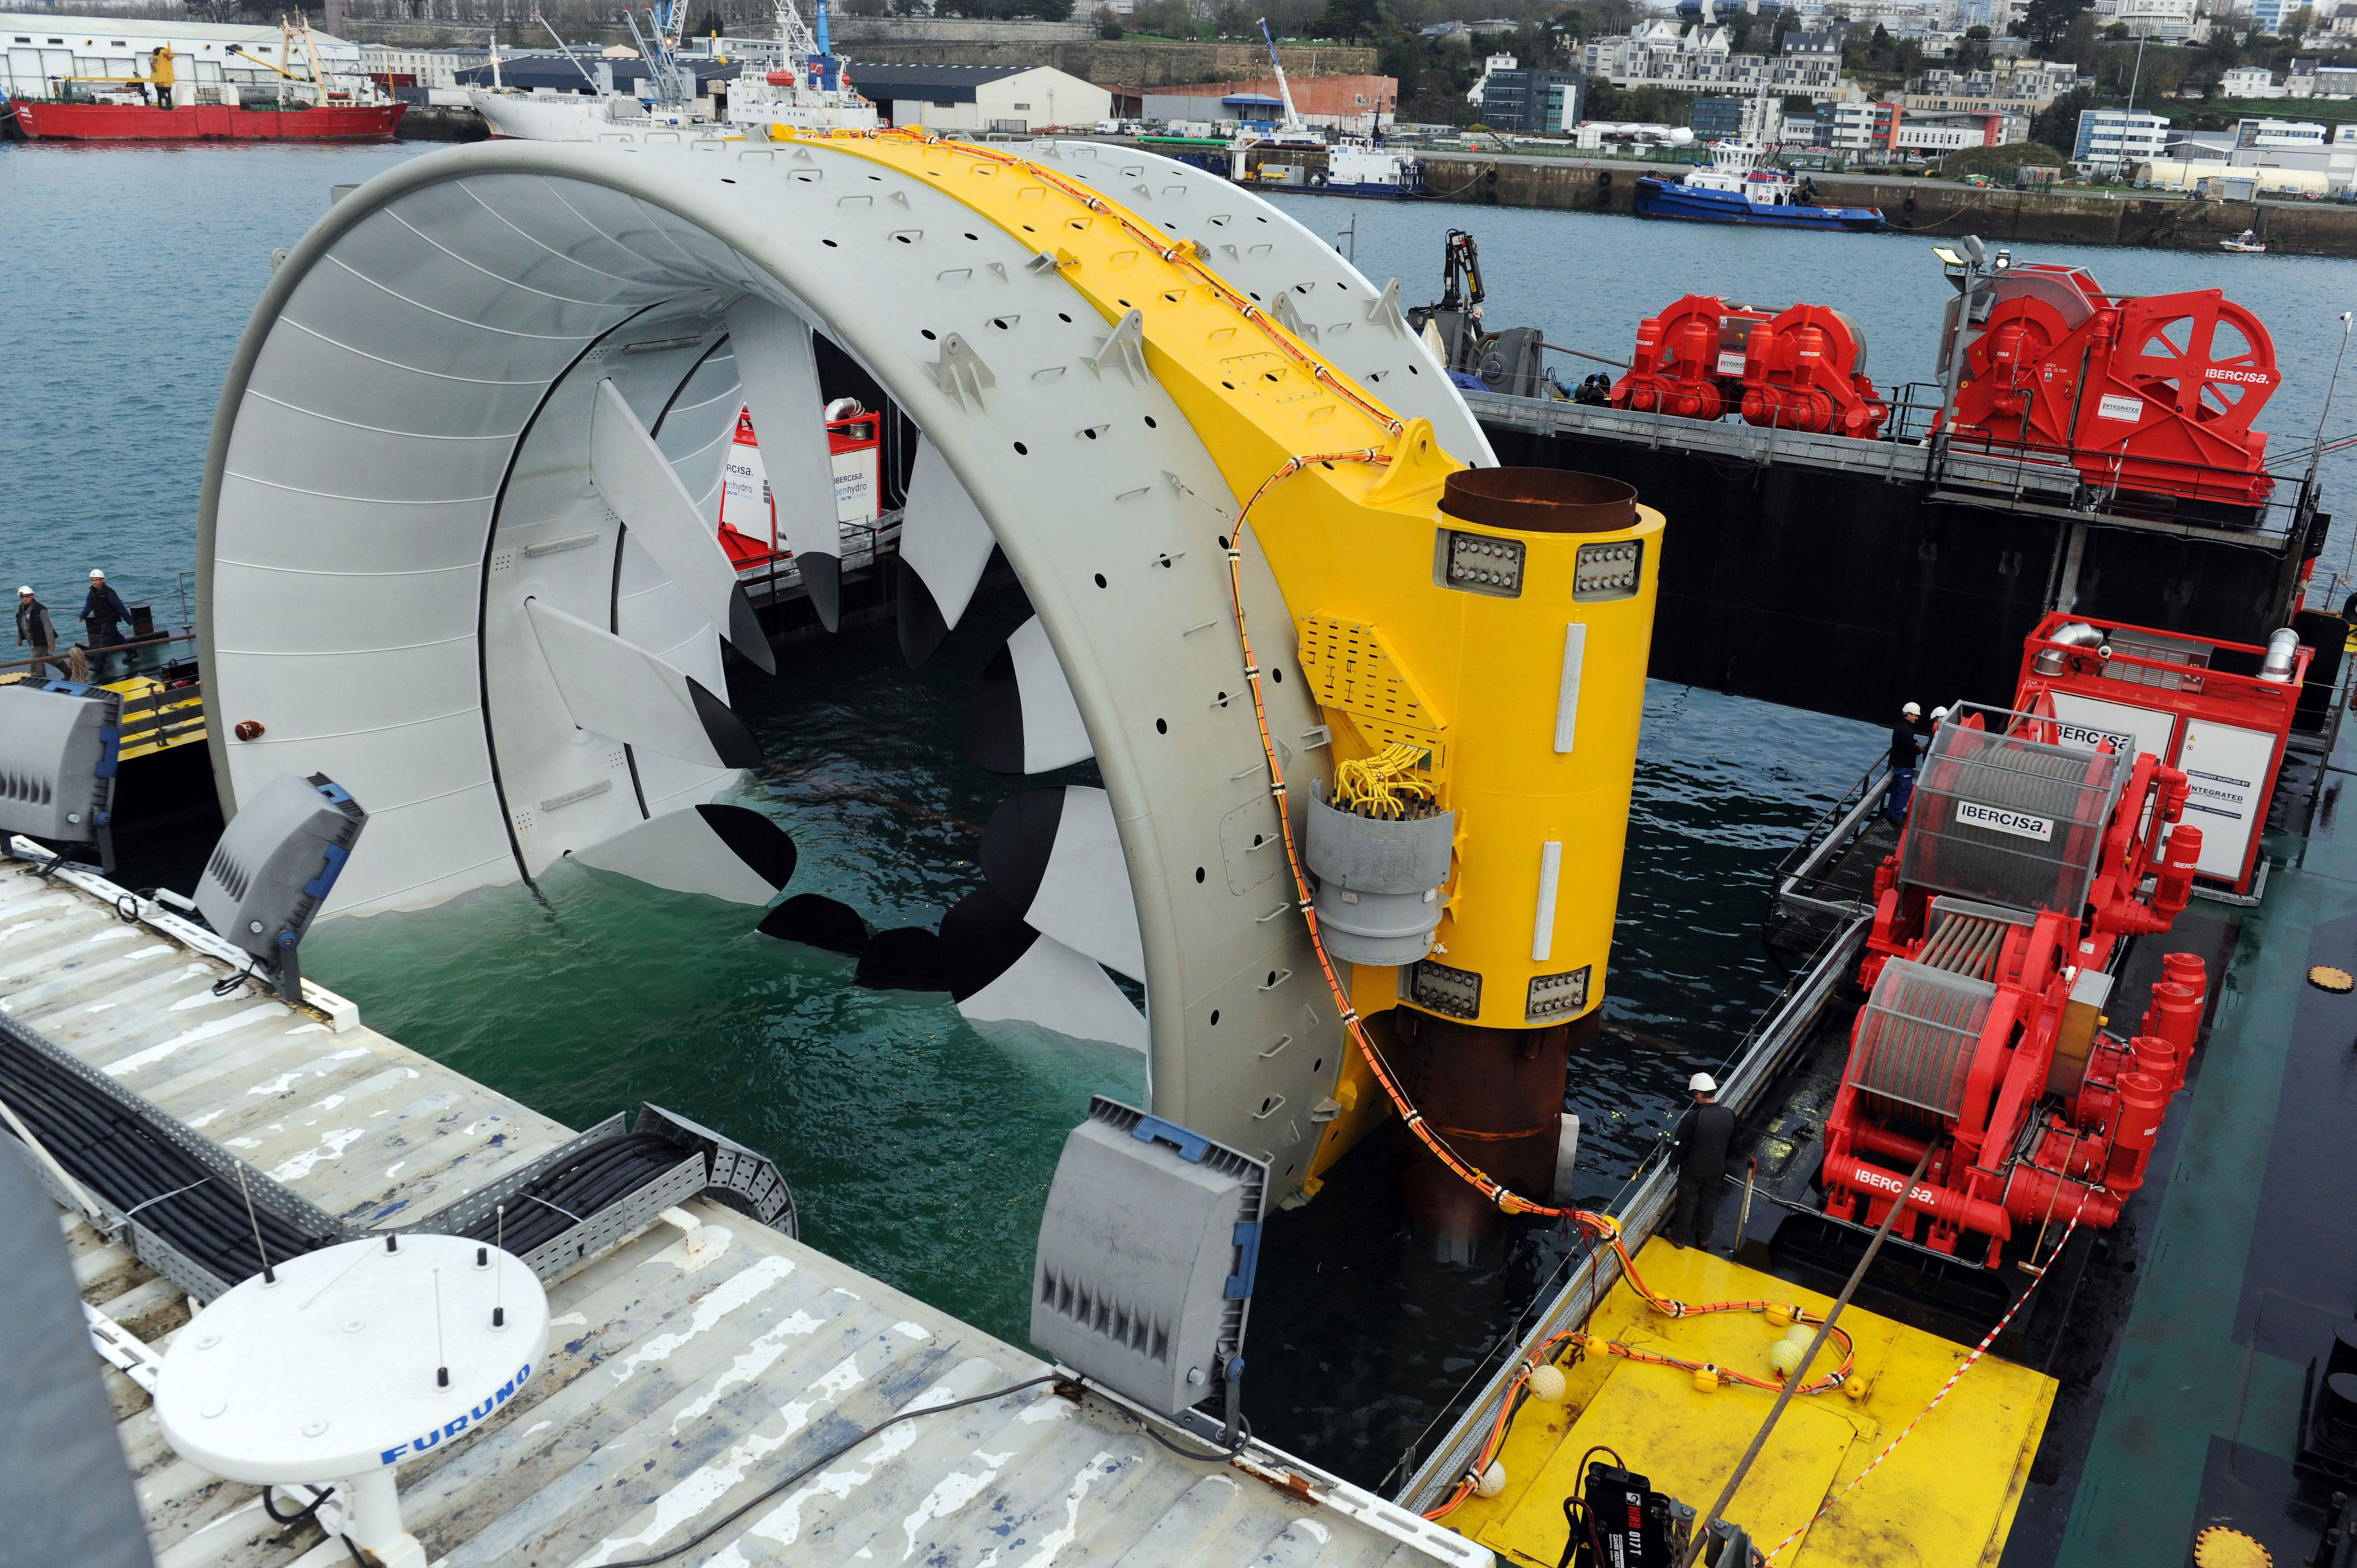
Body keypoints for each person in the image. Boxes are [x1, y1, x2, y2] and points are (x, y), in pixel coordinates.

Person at [1670, 1072, 1737, 1251]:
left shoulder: (1693, 1118)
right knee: (1709, 1202)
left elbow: (1680, 1143)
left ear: (1699, 1095)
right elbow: (1733, 1143)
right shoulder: (1729, 1114)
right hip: (1716, 1169)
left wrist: (1673, 1162)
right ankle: (1704, 1239)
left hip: (1692, 1170)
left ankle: (1679, 1238)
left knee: (1687, 1201)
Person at [81, 569, 132, 675]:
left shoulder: (109, 593)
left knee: (104, 642)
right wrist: (83, 615)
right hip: (102, 620)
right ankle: (132, 653)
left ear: (102, 580)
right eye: (92, 580)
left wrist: (129, 620)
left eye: (97, 580)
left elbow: (119, 607)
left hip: (110, 620)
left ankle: (99, 665)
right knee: (117, 638)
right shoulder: (93, 592)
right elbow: (88, 604)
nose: (95, 582)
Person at [1886, 701, 1925, 824]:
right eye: (1915, 715)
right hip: (1905, 766)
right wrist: (1919, 749)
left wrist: (1914, 743)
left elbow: (1907, 742)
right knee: (1904, 790)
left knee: (1896, 790)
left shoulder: (1899, 726)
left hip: (1897, 764)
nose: (1917, 718)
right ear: (1909, 714)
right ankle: (1897, 816)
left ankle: (1891, 813)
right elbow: (1910, 748)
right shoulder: (1908, 730)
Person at [15, 585, 59, 682]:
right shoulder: (22, 608)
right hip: (31, 639)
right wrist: (20, 637)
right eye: (23, 597)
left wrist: (51, 643)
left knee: (35, 659)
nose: (25, 599)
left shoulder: (40, 609)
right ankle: (65, 668)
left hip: (40, 639)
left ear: (32, 596)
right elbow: (21, 623)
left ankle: (36, 678)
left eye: (27, 596)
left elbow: (48, 627)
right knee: (45, 657)